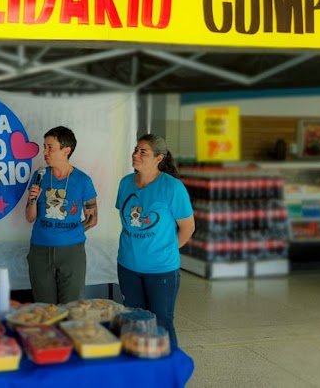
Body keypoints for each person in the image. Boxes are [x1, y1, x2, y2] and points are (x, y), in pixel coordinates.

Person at [115, 134, 194, 348]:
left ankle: (168, 375)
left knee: (162, 323)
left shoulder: (172, 187)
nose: (136, 154)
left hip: (161, 271)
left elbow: (188, 228)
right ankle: (141, 370)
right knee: (135, 321)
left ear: (159, 158)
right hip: (128, 266)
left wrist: (166, 250)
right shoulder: (125, 183)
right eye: (135, 150)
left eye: (143, 152)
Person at [25, 126, 98, 304]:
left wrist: (70, 233)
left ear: (66, 150)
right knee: (44, 307)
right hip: (40, 250)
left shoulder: (83, 180)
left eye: (50, 147)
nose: (45, 152)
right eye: (44, 146)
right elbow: (30, 217)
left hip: (72, 252)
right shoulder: (39, 175)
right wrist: (33, 199)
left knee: (72, 307)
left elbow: (92, 218)